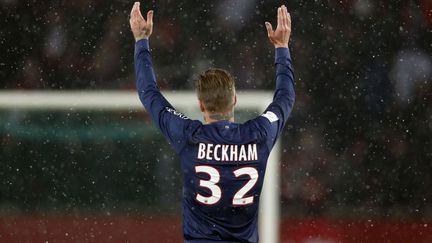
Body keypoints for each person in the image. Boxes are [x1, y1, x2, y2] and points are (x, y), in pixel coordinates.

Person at [129, 2, 294, 242]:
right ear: (235, 100)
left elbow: (149, 93)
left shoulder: (189, 136)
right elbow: (285, 98)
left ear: (201, 105)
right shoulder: (259, 133)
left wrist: (141, 41)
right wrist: (282, 47)